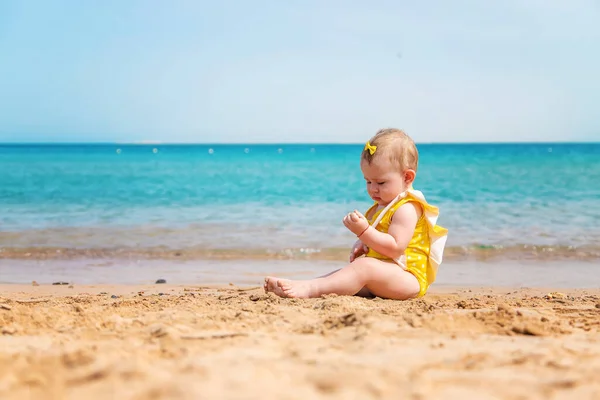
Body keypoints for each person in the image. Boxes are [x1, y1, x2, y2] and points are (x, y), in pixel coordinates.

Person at [264, 128, 448, 300]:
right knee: (345, 274)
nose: (373, 189)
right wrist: (363, 242)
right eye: (368, 181)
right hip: (386, 275)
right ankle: (307, 284)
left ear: (407, 177)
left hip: (408, 279)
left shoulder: (406, 208)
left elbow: (395, 247)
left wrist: (364, 232)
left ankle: (310, 289)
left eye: (381, 183)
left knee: (363, 268)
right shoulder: (382, 206)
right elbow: (380, 236)